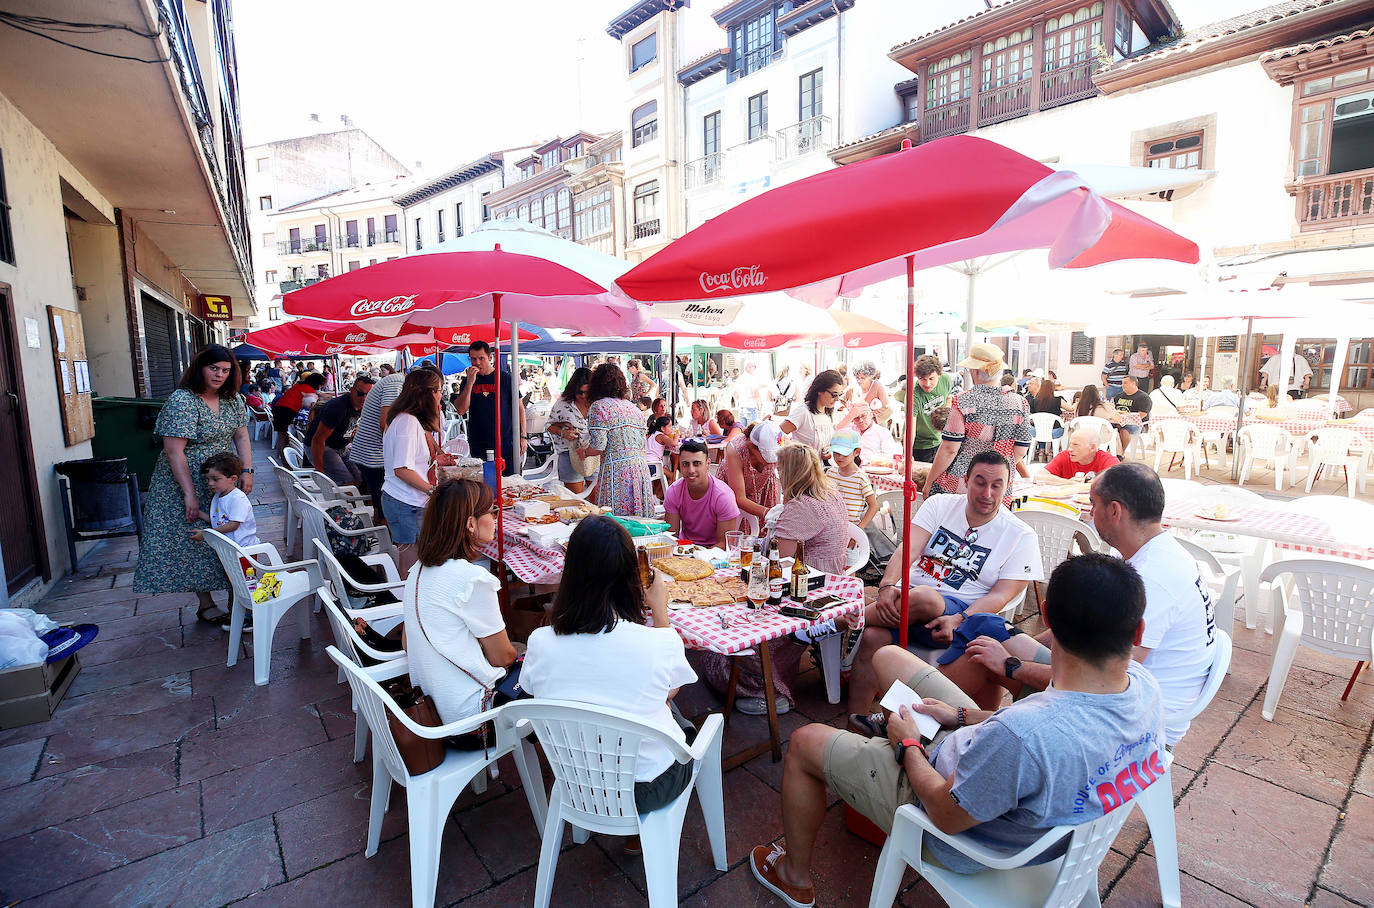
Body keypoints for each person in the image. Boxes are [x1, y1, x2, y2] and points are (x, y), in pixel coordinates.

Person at [748, 553, 1165, 906]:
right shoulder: (1143, 686)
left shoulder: (1025, 734)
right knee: (889, 657)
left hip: (962, 836)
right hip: (995, 769)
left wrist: (909, 744)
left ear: (1051, 624)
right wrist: (959, 716)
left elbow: (946, 814)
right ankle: (879, 739)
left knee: (803, 743)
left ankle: (793, 877)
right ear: (1138, 631)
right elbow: (1032, 728)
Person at [934, 463, 1214, 744]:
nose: (1091, 514)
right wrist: (1016, 641)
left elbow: (1102, 685)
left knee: (989, 657)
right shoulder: (1161, 555)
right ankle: (967, 721)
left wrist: (1010, 665)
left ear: (1115, 511)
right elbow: (1088, 637)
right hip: (1123, 696)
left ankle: (946, 719)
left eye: (1093, 504)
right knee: (992, 632)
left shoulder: (1151, 580)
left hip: (1129, 723)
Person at [522, 516, 698, 813]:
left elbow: (531, 689)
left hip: (577, 781)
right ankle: (638, 835)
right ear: (631, 575)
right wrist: (660, 611)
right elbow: (671, 689)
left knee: (652, 702)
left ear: (571, 574)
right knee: (676, 716)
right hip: (645, 787)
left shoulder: (540, 642)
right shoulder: (657, 643)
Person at [847, 451, 1041, 715]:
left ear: (1007, 487)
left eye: (997, 485)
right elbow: (909, 548)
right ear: (966, 480)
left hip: (959, 619)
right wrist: (886, 586)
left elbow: (1001, 596)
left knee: (925, 598)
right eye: (980, 482)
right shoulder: (940, 504)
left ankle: (843, 620)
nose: (987, 493)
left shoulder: (1020, 535)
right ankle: (856, 721)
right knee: (872, 637)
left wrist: (959, 618)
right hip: (907, 607)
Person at [133, 345, 253, 626]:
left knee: (232, 536)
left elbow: (242, 436)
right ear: (200, 367)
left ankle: (239, 601)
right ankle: (206, 604)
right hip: (184, 479)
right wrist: (189, 494)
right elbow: (174, 452)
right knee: (196, 541)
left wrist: (247, 471)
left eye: (225, 370)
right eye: (214, 368)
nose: (219, 375)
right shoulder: (182, 401)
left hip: (223, 478)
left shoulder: (232, 399)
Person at [402, 478, 519, 725]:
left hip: (428, 710)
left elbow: (406, 643)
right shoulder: (472, 580)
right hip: (472, 718)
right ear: (470, 524)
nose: (496, 518)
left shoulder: (418, 570)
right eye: (492, 511)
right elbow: (503, 658)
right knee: (543, 665)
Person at [925, 344, 1032, 499]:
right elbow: (1021, 450)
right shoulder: (1020, 403)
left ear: (974, 371)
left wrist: (929, 481)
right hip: (999, 486)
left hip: (963, 484)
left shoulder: (963, 400)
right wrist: (994, 468)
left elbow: (949, 449)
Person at [383, 368, 453, 575]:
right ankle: (408, 604)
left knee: (417, 560)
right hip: (406, 502)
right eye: (439, 390)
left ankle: (412, 601)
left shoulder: (406, 420)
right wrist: (433, 490)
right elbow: (402, 469)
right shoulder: (407, 422)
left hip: (407, 501)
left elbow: (409, 462)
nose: (441, 395)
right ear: (427, 393)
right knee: (412, 564)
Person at [579, 363, 656, 517]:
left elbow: (598, 446)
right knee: (639, 523)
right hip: (640, 470)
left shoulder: (599, 407)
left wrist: (584, 452)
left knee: (614, 524)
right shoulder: (633, 408)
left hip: (617, 473)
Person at [455, 340, 525, 476]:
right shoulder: (467, 381)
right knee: (484, 485)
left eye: (481, 358)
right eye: (473, 359)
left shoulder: (505, 378)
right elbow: (461, 410)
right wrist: (469, 383)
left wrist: (523, 436)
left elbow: (520, 409)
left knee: (510, 483)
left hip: (505, 442)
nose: (477, 363)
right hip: (478, 443)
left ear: (490, 358)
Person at [349, 367, 407, 517]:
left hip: (372, 453)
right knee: (385, 502)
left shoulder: (399, 385)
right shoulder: (396, 384)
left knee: (380, 499)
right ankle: (383, 535)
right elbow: (385, 423)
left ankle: (380, 531)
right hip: (372, 455)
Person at [664, 439, 739, 547]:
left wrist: (698, 560)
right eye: (685, 464)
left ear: (708, 463)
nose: (691, 470)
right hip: (685, 550)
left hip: (715, 556)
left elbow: (724, 544)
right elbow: (671, 537)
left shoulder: (723, 496)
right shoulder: (674, 491)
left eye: (697, 463)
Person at [305, 375, 374, 489]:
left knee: (362, 479)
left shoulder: (365, 406)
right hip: (323, 446)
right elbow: (318, 440)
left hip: (342, 446)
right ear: (351, 391)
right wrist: (320, 471)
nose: (364, 398)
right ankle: (344, 505)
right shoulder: (337, 407)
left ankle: (356, 504)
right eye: (361, 394)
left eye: (369, 395)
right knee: (347, 483)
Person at [723, 420, 782, 524]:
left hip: (763, 487)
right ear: (752, 447)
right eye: (766, 456)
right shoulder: (736, 450)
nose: (769, 462)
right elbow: (739, 498)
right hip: (737, 494)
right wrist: (768, 512)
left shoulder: (778, 440)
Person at [547, 366, 595, 493]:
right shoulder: (563, 403)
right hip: (570, 454)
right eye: (580, 392)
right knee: (576, 501)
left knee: (597, 501)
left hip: (594, 453)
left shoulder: (597, 402)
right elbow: (548, 425)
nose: (584, 396)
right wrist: (563, 432)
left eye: (587, 392)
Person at [780, 369, 843, 456]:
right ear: (820, 391)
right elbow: (778, 434)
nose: (837, 399)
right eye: (834, 395)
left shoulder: (829, 413)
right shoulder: (803, 412)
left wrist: (828, 450)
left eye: (840, 395)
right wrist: (795, 450)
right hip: (801, 468)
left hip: (820, 468)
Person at [904, 355, 952, 463]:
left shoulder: (946, 380)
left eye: (931, 378)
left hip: (939, 440)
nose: (927, 384)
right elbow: (910, 428)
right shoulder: (913, 395)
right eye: (923, 379)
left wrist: (945, 414)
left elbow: (949, 397)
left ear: (939, 375)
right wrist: (908, 454)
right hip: (918, 445)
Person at [826, 430, 878, 530]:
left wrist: (860, 527)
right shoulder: (830, 473)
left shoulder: (860, 478)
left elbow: (874, 506)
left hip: (850, 530)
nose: (839, 457)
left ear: (856, 452)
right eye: (836, 453)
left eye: (844, 453)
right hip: (830, 527)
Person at [271, 372, 325, 458]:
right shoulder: (308, 390)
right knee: (284, 437)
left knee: (282, 435)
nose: (321, 387)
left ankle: (282, 456)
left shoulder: (300, 386)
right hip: (287, 411)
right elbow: (314, 403)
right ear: (317, 383)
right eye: (321, 385)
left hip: (279, 409)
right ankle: (285, 461)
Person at [1042, 427, 1119, 484]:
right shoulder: (1065, 456)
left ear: (1092, 447)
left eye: (1076, 445)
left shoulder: (1108, 461)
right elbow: (1039, 477)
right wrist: (1069, 483)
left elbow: (1116, 484)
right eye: (1070, 444)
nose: (1070, 449)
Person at [1113, 375, 1153, 453]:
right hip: (1118, 421)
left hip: (1136, 424)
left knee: (1125, 429)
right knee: (1106, 427)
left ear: (1134, 384)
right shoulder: (1119, 396)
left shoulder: (1144, 398)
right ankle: (1109, 450)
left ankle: (1120, 453)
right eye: (1122, 383)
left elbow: (1143, 414)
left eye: (1125, 383)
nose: (1123, 385)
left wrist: (1126, 419)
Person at [847, 361, 893, 426]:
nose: (859, 380)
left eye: (862, 378)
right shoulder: (854, 387)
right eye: (857, 377)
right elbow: (841, 399)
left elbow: (887, 408)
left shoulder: (877, 386)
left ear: (870, 377)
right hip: (859, 426)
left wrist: (869, 415)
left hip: (875, 426)